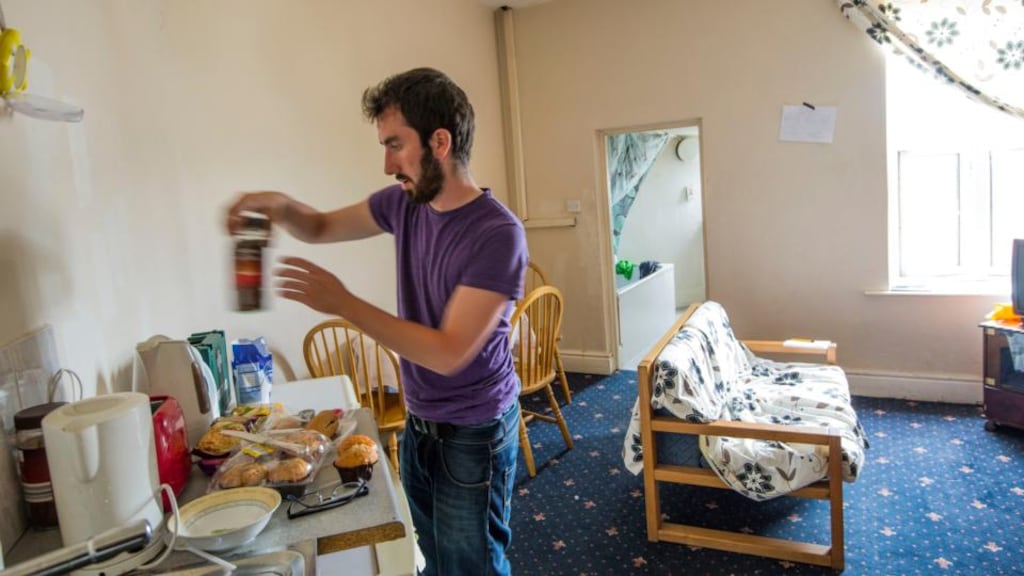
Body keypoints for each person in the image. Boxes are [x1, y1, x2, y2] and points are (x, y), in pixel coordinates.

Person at [226, 67, 527, 576]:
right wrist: (277, 205)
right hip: (422, 423)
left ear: (439, 141)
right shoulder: (405, 205)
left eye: (395, 144)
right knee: (434, 559)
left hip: (474, 431)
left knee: (472, 567)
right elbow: (319, 226)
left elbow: (447, 352)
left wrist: (343, 303)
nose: (387, 163)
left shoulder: (498, 233)